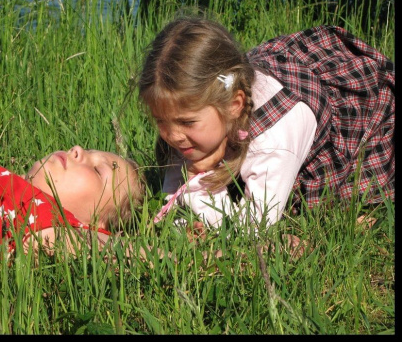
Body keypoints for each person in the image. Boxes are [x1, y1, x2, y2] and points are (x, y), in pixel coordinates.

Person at [138, 17, 394, 234]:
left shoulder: (272, 142)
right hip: (280, 88)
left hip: (365, 123)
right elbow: (172, 191)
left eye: (186, 122)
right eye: (160, 120)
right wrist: (180, 211)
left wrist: (198, 189)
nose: (172, 135)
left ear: (234, 106)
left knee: (337, 211)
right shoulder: (193, 110)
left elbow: (256, 226)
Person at [0, 146, 146, 256]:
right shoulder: (10, 186)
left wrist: (179, 253)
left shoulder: (48, 224)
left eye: (97, 170)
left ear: (95, 225)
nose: (77, 150)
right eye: (89, 150)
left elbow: (130, 253)